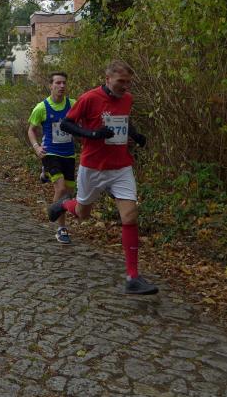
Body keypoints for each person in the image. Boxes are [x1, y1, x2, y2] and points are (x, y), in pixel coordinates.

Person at [48, 60, 155, 295]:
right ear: (108, 79)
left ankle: (132, 277)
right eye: (121, 81)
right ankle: (63, 204)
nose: (125, 86)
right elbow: (66, 124)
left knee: (130, 215)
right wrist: (93, 134)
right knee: (83, 214)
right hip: (93, 166)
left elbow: (124, 121)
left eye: (128, 82)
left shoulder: (127, 99)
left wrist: (136, 135)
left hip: (121, 166)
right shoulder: (89, 98)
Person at [27, 72, 77, 244]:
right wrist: (36, 147)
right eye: (58, 83)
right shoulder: (41, 107)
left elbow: (83, 122)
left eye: (64, 83)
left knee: (68, 192)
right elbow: (31, 130)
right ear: (51, 85)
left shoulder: (73, 104)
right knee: (61, 189)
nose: (62, 86)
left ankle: (45, 173)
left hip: (69, 154)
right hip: (50, 153)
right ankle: (61, 228)